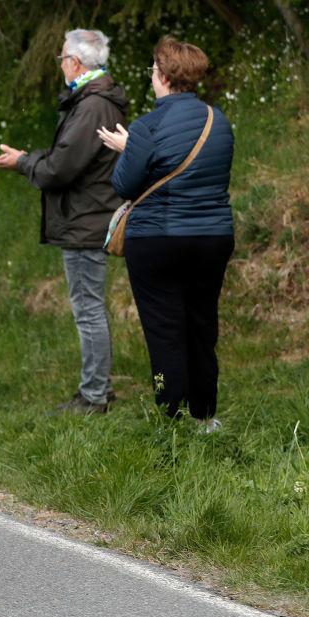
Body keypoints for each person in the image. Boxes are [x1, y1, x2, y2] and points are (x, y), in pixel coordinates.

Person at [97, 37, 234, 432]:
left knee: (165, 330)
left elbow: (124, 184)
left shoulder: (146, 127)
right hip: (212, 238)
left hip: (157, 239)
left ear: (163, 75)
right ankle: (206, 416)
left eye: (153, 71)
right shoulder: (218, 121)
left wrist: (128, 148)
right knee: (202, 325)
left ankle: (171, 422)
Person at [0, 29, 128, 415]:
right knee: (91, 308)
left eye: (62, 59)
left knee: (88, 310)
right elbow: (66, 158)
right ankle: (97, 388)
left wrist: (22, 161)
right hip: (89, 214)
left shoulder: (92, 105)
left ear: (75, 63)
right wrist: (29, 159)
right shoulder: (93, 100)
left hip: (86, 219)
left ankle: (94, 397)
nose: (62, 66)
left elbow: (60, 169)